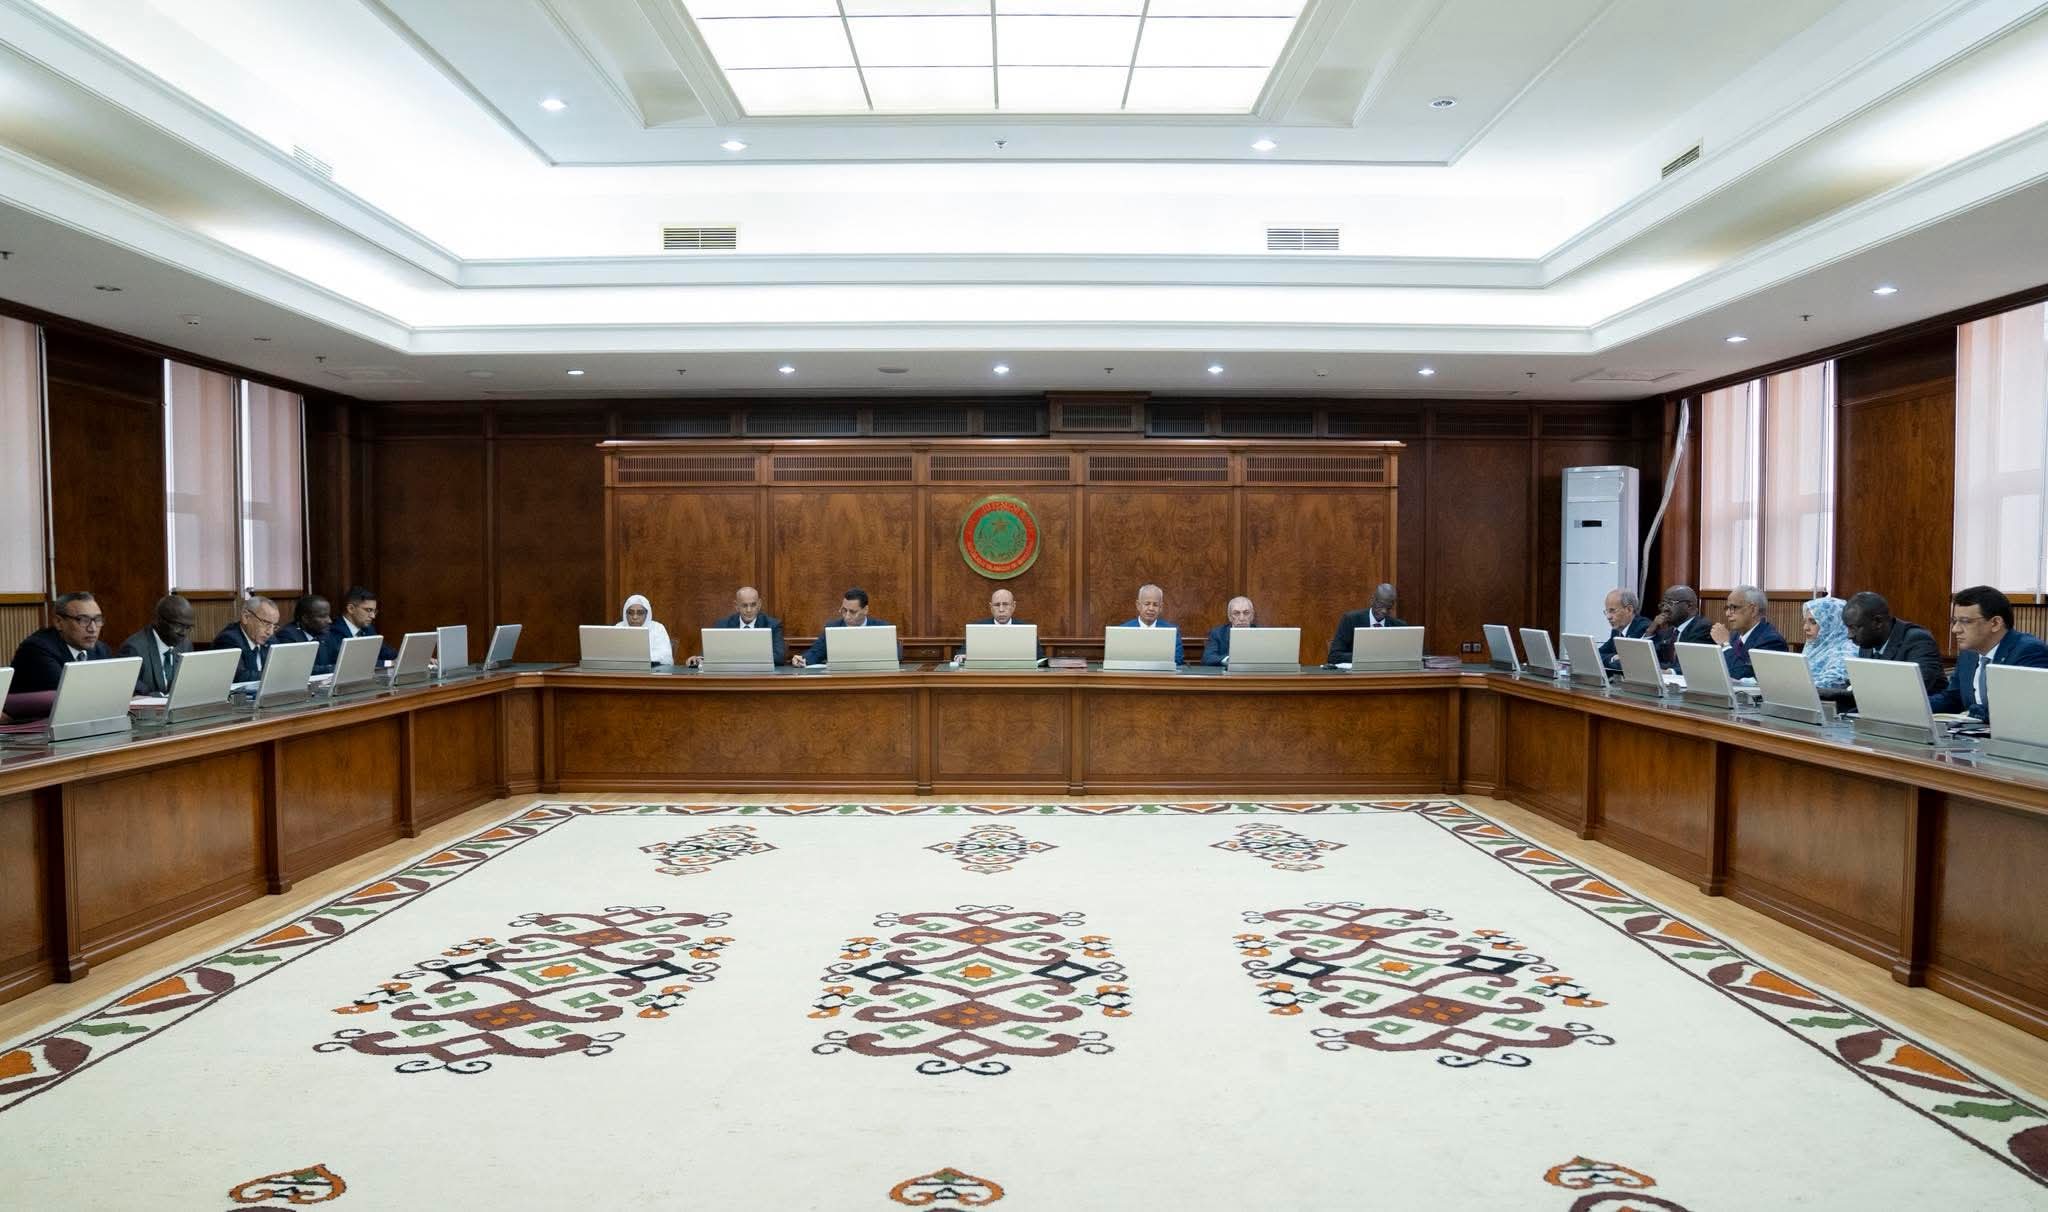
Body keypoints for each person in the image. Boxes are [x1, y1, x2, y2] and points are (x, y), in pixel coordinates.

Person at [1930, 585, 2048, 722]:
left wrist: (1971, 714)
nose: (1955, 629)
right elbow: (1953, 698)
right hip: (1974, 732)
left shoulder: (2028, 651)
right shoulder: (1969, 653)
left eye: (1965, 622)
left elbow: (2021, 710)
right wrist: (1916, 706)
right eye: (1954, 621)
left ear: (1995, 623)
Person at [9, 591, 115, 694]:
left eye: (97, 619)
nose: (93, 628)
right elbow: (69, 693)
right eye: (83, 620)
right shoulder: (37, 649)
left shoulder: (101, 649)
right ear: (59, 622)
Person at [1840, 591, 1944, 694]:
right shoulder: (1867, 644)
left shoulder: (1918, 640)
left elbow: (1914, 690)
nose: (1849, 635)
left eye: (1854, 628)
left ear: (1877, 622)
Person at [794, 587, 899, 667]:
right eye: (844, 610)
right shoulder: (833, 627)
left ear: (865, 610)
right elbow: (815, 652)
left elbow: (895, 654)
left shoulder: (882, 628)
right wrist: (803, 659)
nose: (847, 616)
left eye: (852, 612)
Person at [115, 594, 196, 695]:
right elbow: (129, 688)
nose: (183, 633)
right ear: (158, 620)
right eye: (178, 626)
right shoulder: (133, 649)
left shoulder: (185, 645)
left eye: (188, 628)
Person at [688, 586, 786, 667]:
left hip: (761, 676)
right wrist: (697, 659)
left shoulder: (773, 625)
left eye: (753, 605)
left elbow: (779, 657)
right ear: (736, 606)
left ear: (759, 604)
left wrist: (738, 657)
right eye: (744, 605)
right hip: (730, 676)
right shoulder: (722, 625)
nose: (749, 610)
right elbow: (708, 654)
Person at [1711, 585, 1789, 679]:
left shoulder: (1772, 641)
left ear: (1753, 610)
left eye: (1733, 607)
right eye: (1727, 608)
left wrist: (1725, 645)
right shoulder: (1733, 636)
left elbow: (1745, 676)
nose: (1727, 614)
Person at [318, 586, 397, 670]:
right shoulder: (332, 631)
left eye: (374, 611)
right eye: (368, 610)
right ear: (351, 609)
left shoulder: (368, 629)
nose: (373, 616)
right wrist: (389, 663)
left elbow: (389, 653)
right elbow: (354, 664)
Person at [1327, 583, 1404, 666]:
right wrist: (1367, 658)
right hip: (1358, 672)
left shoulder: (1399, 626)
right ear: (1372, 600)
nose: (1384, 611)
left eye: (1389, 607)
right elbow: (1334, 656)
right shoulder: (1350, 620)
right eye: (1381, 605)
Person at [214, 594, 281, 683]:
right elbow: (239, 677)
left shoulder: (271, 640)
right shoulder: (228, 640)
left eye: (274, 626)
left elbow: (281, 667)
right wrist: (276, 676)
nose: (270, 632)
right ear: (246, 617)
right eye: (266, 623)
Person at [965, 587, 1044, 660]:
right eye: (997, 605)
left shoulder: (1027, 630)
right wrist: (962, 656)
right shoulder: (977, 628)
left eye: (1005, 604)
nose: (1001, 609)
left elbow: (1039, 659)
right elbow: (962, 653)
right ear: (991, 607)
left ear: (1013, 606)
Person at [1117, 583, 1184, 667]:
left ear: (1161, 608)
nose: (1151, 608)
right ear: (1138, 605)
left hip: (1161, 674)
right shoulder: (1123, 630)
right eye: (1147, 604)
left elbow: (1178, 659)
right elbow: (1118, 660)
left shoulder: (1173, 631)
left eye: (1155, 605)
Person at [1648, 585, 1714, 668]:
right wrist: (1649, 632)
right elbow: (1649, 659)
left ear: (1689, 606)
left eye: (1670, 603)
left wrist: (1667, 671)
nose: (1664, 609)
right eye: (1663, 604)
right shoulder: (1669, 631)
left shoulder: (1702, 628)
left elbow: (1690, 665)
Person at [1799, 596, 1854, 690]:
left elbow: (1831, 684)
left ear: (1832, 623)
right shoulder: (1815, 646)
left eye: (1813, 622)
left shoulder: (1848, 652)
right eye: (1805, 622)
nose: (1805, 628)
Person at [276, 595, 335, 672]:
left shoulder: (325, 633)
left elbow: (336, 659)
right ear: (305, 619)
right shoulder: (287, 636)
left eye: (328, 615)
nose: (329, 621)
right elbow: (299, 668)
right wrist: (331, 668)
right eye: (323, 616)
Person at [1595, 588, 1650, 671]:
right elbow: (1597, 655)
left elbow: (1628, 663)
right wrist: (1613, 658)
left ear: (1629, 610)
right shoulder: (1617, 630)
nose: (1608, 617)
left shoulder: (1643, 628)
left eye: (1612, 611)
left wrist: (1613, 660)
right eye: (1607, 611)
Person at [615, 594, 675, 666]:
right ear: (625, 614)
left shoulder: (658, 628)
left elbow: (666, 657)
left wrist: (634, 659)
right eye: (630, 612)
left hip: (652, 670)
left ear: (647, 614)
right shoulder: (619, 627)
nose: (635, 617)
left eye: (640, 613)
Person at [1203, 596, 1256, 666]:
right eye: (1236, 613)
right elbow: (1208, 658)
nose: (1242, 618)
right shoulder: (1217, 634)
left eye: (1246, 613)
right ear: (1230, 616)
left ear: (1252, 616)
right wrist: (1229, 660)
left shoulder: (1262, 633)